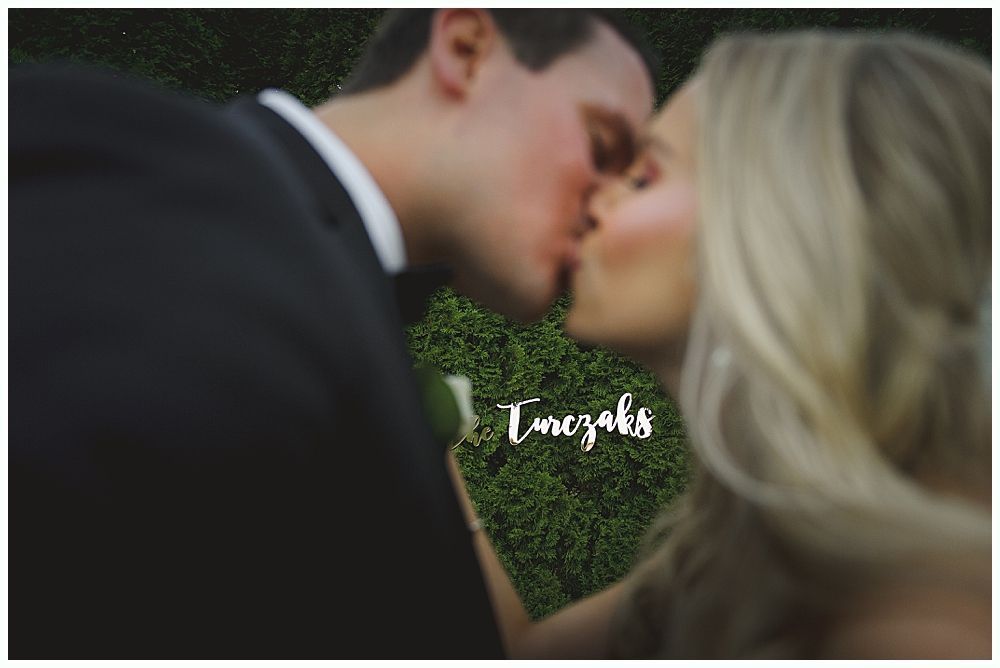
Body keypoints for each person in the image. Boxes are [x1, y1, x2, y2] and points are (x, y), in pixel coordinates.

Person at [9, 9, 654, 658]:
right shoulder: (164, 178)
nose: (607, 208)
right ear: (465, 48)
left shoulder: (341, 289)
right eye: (602, 148)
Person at [452, 30, 991, 658]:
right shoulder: (730, 554)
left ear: (780, 227)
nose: (591, 200)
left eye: (643, 176)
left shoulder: (930, 620)